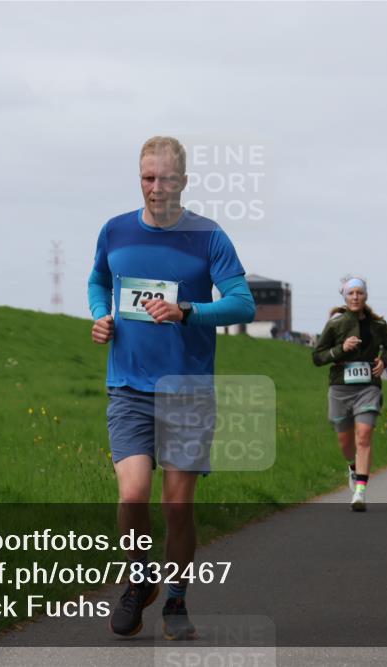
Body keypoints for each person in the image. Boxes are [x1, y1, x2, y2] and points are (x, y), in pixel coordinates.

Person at [88, 136, 256, 640]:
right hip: (129, 387)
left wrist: (188, 311)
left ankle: (177, 599)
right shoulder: (115, 231)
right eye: (146, 177)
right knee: (133, 495)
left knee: (177, 506)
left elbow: (243, 303)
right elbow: (98, 280)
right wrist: (102, 316)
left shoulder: (208, 237)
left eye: (165, 178)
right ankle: (140, 582)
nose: (155, 188)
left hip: (187, 391)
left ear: (183, 180)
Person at [312, 276, 387, 512]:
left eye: (359, 293)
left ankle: (360, 490)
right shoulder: (335, 324)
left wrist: (385, 361)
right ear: (345, 297)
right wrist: (342, 349)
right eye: (351, 293)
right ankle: (352, 467)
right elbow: (317, 357)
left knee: (364, 435)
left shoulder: (378, 325)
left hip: (368, 387)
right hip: (340, 388)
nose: (355, 297)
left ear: (366, 295)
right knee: (346, 441)